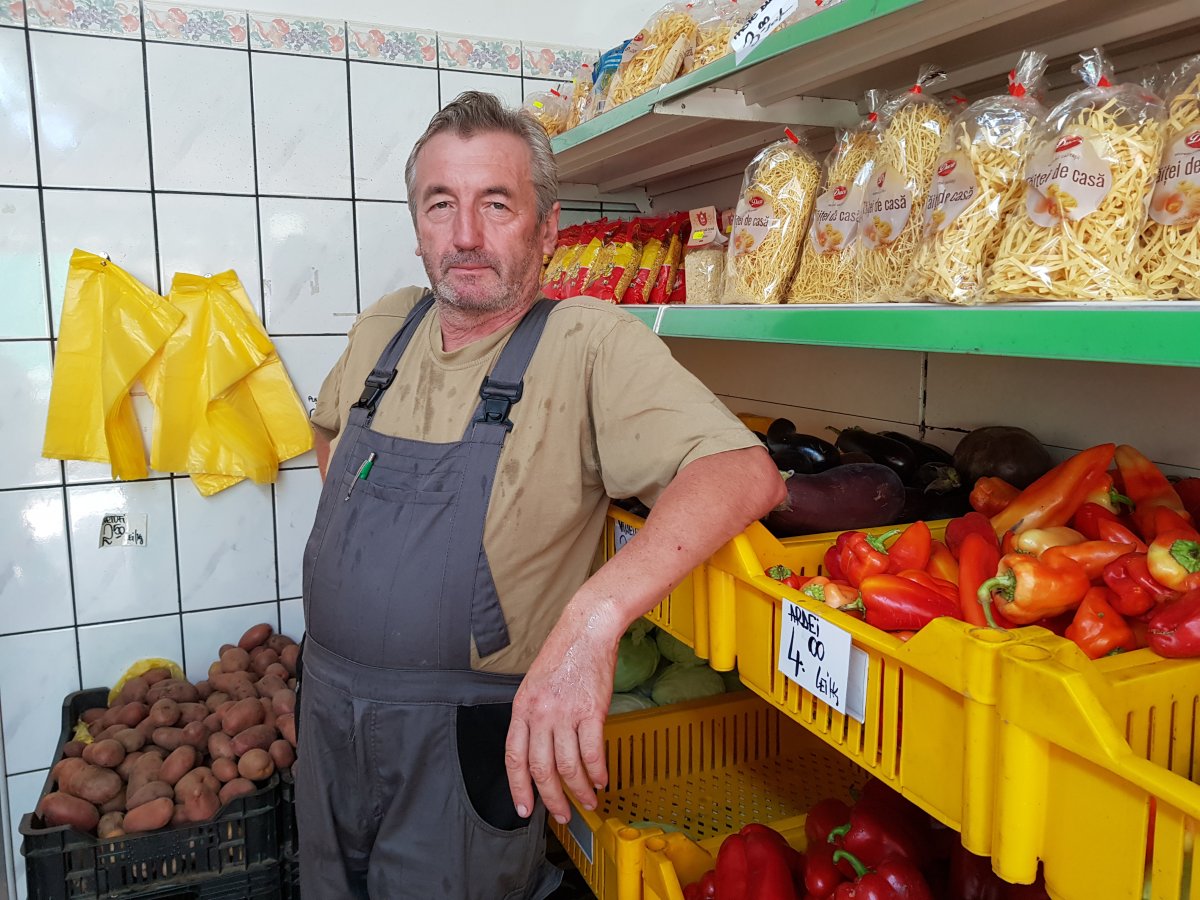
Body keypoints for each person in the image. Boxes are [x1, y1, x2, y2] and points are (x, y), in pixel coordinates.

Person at [297, 90, 785, 899]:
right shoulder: (384, 327)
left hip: (461, 749)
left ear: (547, 227)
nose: (465, 236)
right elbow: (327, 436)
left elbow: (741, 472)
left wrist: (592, 623)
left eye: (496, 204)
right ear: (417, 224)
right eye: (440, 205)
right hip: (327, 719)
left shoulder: (587, 343)